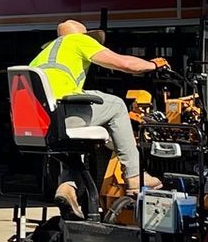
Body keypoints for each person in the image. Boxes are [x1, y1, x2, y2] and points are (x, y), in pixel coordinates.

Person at [28, 20, 162, 217]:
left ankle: (67, 187)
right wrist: (153, 65)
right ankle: (134, 176)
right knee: (116, 105)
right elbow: (125, 64)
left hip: (43, 123)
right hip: (65, 114)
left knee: (70, 143)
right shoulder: (78, 41)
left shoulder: (41, 56)